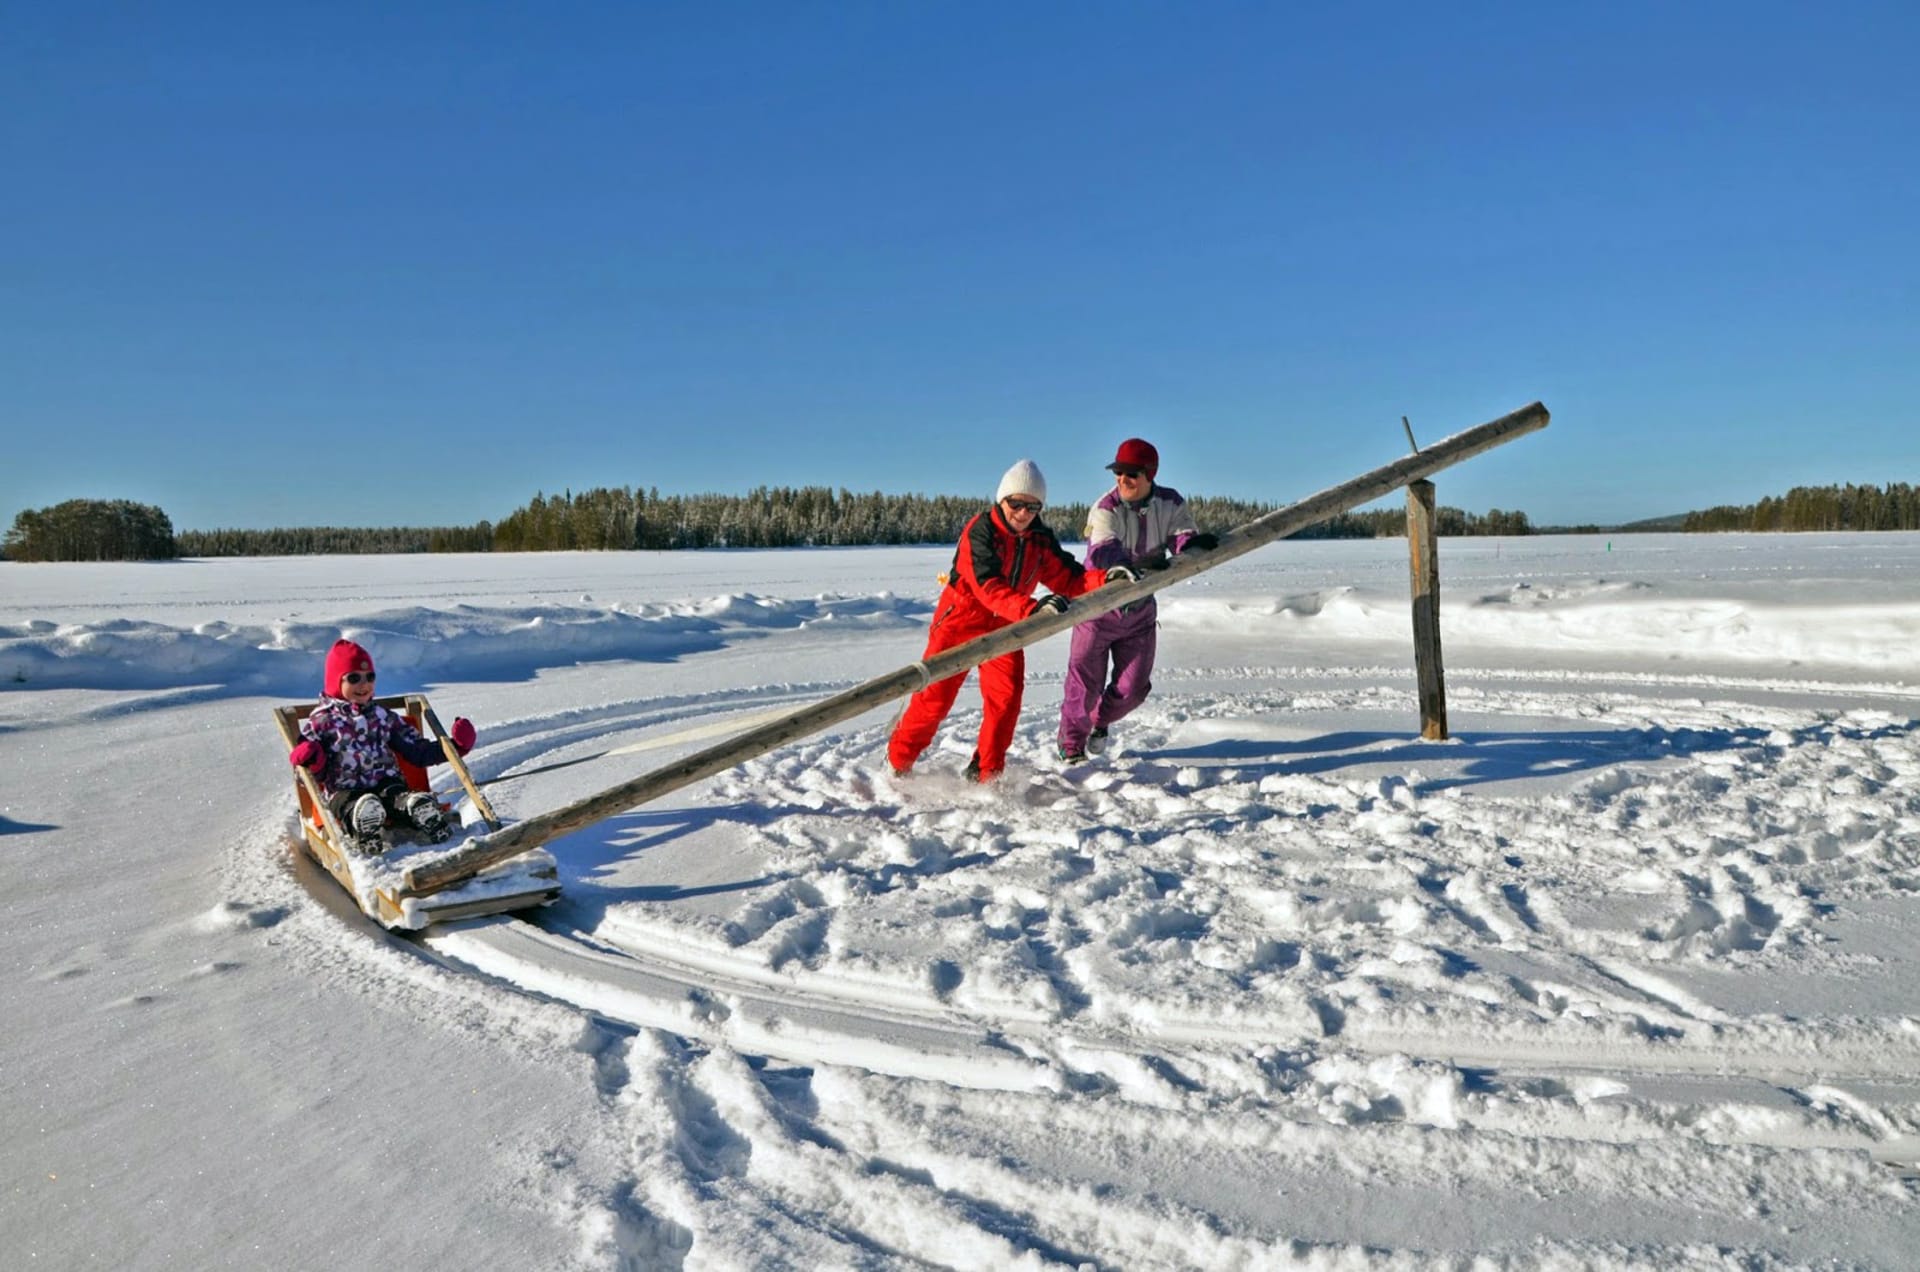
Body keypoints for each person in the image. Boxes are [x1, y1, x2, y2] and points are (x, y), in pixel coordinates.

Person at [888, 459, 1135, 783]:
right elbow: (988, 587)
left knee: (1005, 701)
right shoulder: (980, 532)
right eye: (1016, 504)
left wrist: (1106, 578)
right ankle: (898, 763)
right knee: (934, 698)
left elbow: (1070, 577)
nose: (1023, 513)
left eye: (1032, 507)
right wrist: (1032, 609)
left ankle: (987, 773)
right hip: (960, 621)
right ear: (1002, 500)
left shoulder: (1038, 539)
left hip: (1006, 624)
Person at [1056, 438, 1218, 763]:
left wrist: (1193, 545)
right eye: (1118, 472)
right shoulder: (1105, 507)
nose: (1122, 479)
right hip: (1097, 612)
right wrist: (1134, 565)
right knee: (1083, 689)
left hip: (1140, 614)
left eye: (1131, 473)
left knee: (1132, 690)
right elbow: (1102, 551)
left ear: (1149, 474)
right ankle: (1071, 747)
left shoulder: (1170, 502)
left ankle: (1099, 721)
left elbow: (1181, 536)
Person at [287, 638, 478, 853]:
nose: (364, 684)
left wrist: (456, 747)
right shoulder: (321, 723)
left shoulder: (383, 717)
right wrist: (311, 759)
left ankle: (416, 809)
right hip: (344, 790)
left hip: (385, 783)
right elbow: (308, 776)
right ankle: (364, 825)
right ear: (336, 682)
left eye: (370, 677)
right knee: (349, 804)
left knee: (397, 796)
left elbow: (417, 751)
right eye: (354, 678)